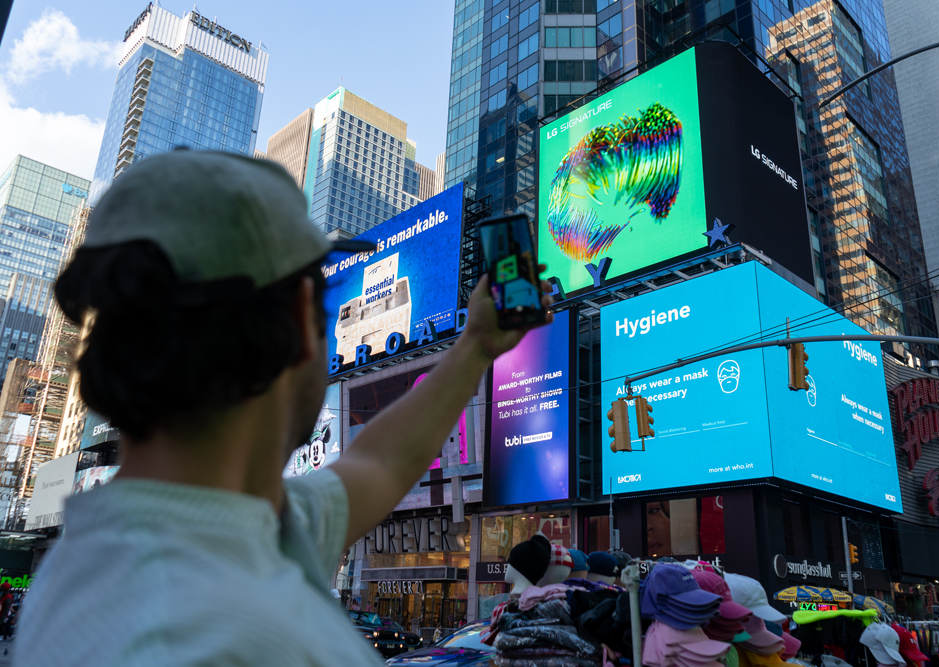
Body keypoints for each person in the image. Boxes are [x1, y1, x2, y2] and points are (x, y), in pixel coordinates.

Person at [12, 151, 552, 666]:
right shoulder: (221, 632)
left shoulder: (225, 528)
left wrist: (475, 347)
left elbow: (378, 465)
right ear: (299, 318)